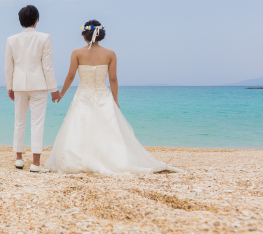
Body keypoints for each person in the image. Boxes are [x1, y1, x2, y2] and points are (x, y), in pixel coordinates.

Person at [45, 20, 179, 174]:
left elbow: (70, 76)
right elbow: (113, 79)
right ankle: (112, 159)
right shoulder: (110, 54)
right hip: (103, 96)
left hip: (83, 96)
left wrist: (62, 93)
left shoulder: (77, 53)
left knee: (80, 128)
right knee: (108, 130)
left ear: (84, 36)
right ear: (101, 35)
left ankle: (78, 159)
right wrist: (115, 99)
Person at [5, 5, 61, 172]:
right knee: (37, 123)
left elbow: (8, 66)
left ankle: (19, 159)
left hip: (19, 85)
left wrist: (10, 86)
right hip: (39, 85)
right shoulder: (44, 38)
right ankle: (36, 164)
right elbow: (47, 67)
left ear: (21, 21)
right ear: (37, 19)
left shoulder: (11, 40)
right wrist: (54, 89)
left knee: (19, 122)